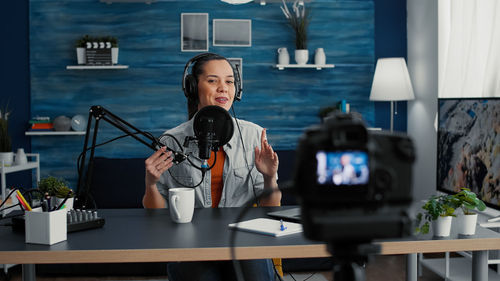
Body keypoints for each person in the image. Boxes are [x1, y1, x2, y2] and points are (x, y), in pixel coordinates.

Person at [142, 53, 281, 281]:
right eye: (213, 80)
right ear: (192, 87)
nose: (223, 89)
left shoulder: (254, 135)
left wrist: (270, 177)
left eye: (229, 81)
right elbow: (155, 215)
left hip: (243, 238)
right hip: (191, 242)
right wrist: (151, 184)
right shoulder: (171, 141)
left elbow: (271, 210)